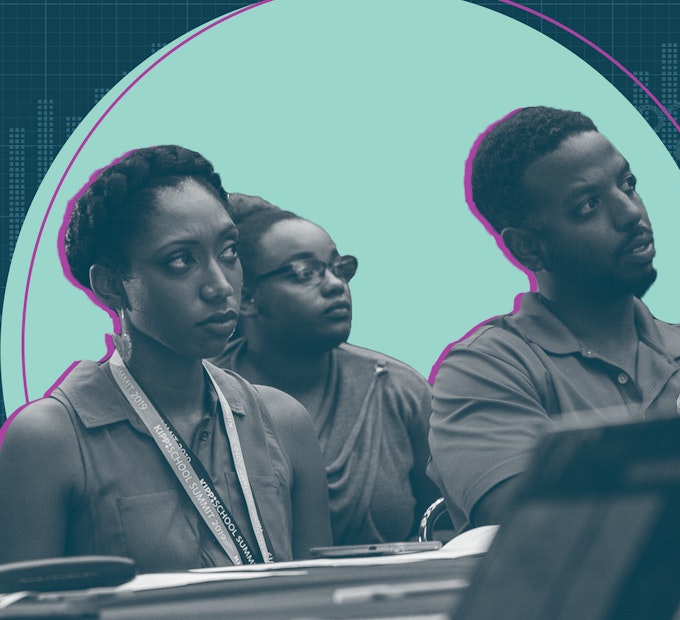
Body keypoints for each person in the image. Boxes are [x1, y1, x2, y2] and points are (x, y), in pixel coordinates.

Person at [428, 106, 680, 532]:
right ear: (529, 249)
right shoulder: (485, 369)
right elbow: (533, 517)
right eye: (587, 205)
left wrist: (626, 484)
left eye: (628, 184)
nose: (630, 212)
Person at [0, 146, 333, 572]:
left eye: (229, 251)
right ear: (111, 286)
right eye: (180, 260)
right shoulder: (49, 439)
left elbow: (320, 601)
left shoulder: (283, 421)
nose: (219, 286)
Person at [212, 194, 439, 545]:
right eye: (305, 273)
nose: (336, 285)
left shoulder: (398, 389)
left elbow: (446, 524)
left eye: (339, 268)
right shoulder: (204, 394)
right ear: (246, 299)